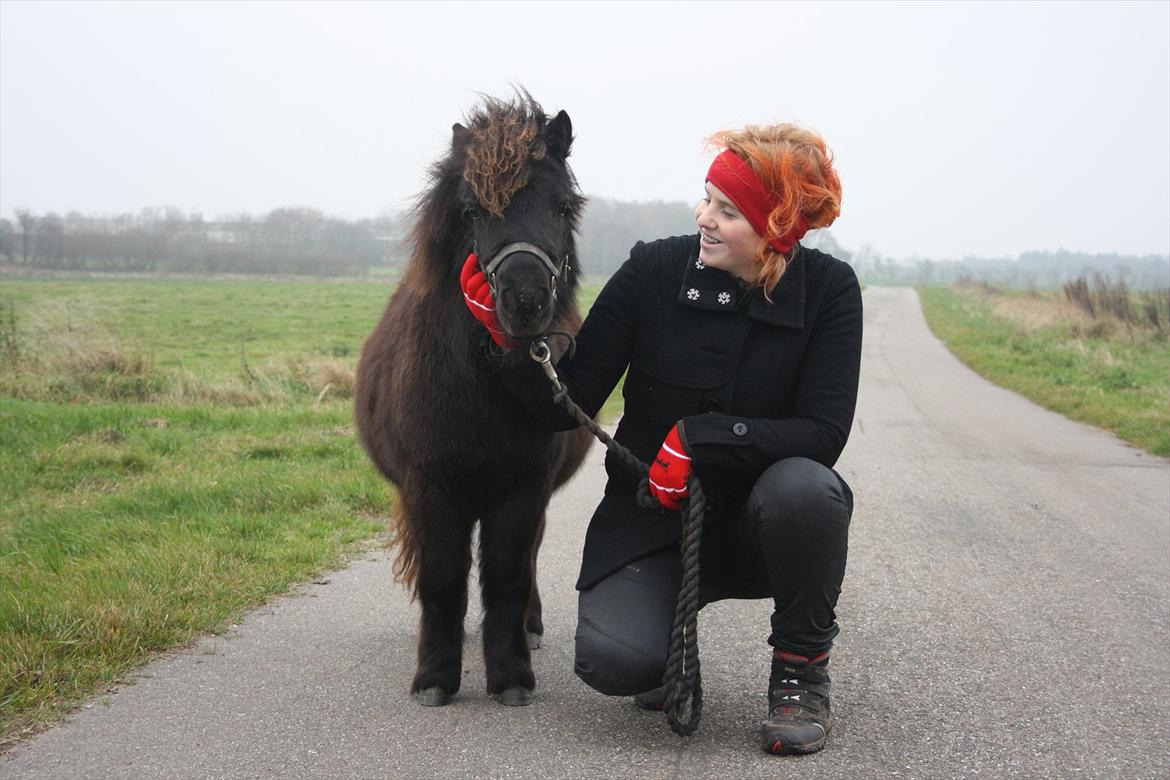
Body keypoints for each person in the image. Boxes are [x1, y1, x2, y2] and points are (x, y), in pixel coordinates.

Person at [462, 123, 862, 755]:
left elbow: (823, 431)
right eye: (706, 198)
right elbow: (570, 403)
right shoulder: (652, 270)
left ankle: (800, 671)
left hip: (759, 526)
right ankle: (660, 634)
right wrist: (509, 341)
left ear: (775, 229)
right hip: (650, 522)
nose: (703, 217)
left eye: (727, 211)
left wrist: (703, 439)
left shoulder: (831, 292)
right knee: (614, 663)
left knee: (808, 491)